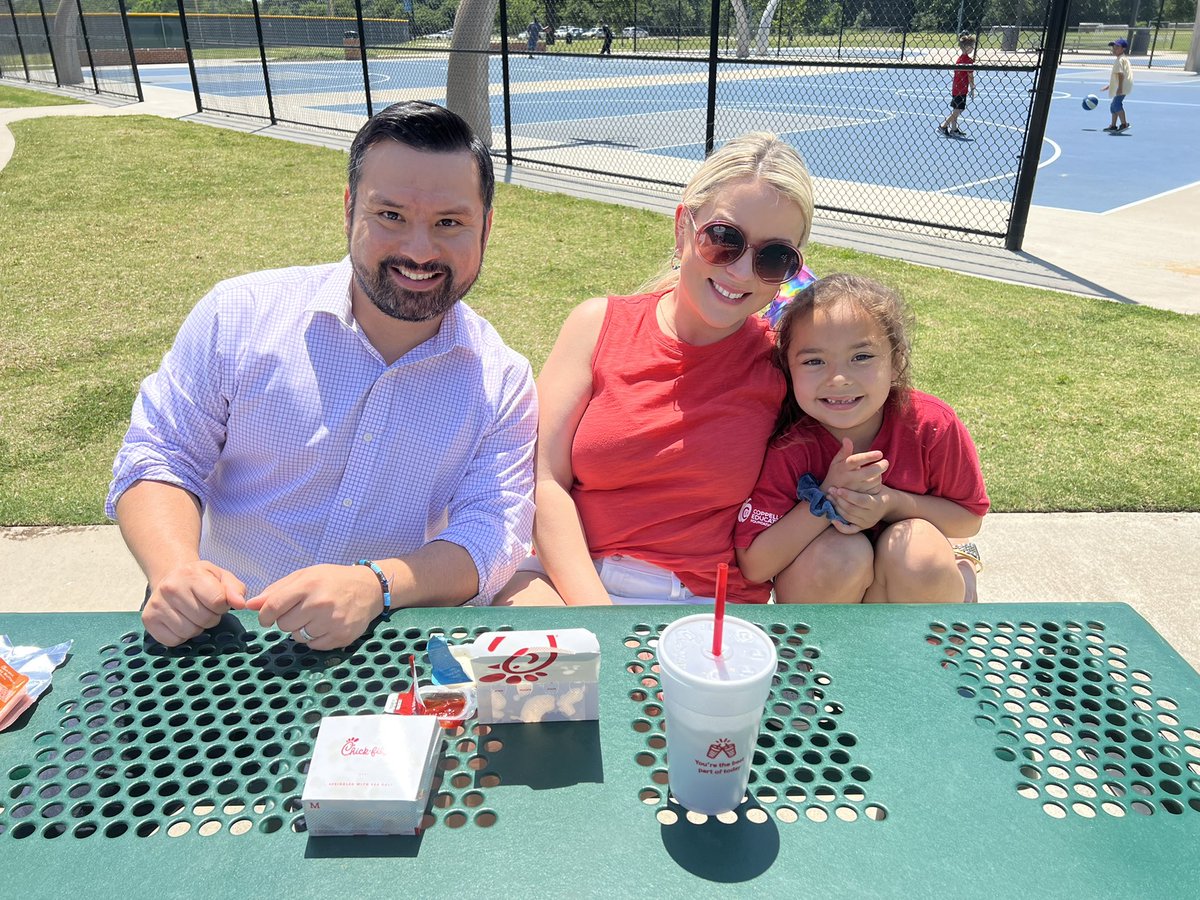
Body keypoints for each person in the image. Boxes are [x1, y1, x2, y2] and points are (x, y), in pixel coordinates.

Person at [107, 101, 537, 650]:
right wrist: (176, 570)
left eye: (449, 222)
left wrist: (375, 585)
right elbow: (161, 453)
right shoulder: (238, 313)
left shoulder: (502, 380)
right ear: (349, 208)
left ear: (486, 228)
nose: (419, 250)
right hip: (219, 635)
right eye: (391, 216)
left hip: (381, 643)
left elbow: (492, 534)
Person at [496, 133, 813, 607]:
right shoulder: (597, 325)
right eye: (725, 240)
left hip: (708, 607)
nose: (742, 273)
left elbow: (876, 429)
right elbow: (542, 479)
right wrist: (597, 616)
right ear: (684, 226)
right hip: (575, 585)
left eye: (773, 257)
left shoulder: (783, 362)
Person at [734, 274, 989, 604]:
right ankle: (823, 655)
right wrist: (827, 497)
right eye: (814, 361)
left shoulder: (931, 424)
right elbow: (755, 564)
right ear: (789, 370)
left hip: (903, 594)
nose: (838, 378)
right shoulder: (792, 447)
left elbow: (969, 518)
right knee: (841, 554)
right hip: (829, 597)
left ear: (896, 363)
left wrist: (890, 503)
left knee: (917, 550)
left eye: (862, 357)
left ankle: (920, 651)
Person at [939, 32, 976, 137]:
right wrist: (973, 87)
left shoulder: (960, 59)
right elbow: (970, 75)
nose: (973, 48)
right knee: (959, 109)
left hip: (956, 87)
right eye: (972, 46)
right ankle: (944, 126)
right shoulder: (967, 61)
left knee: (956, 108)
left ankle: (954, 129)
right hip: (961, 88)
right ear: (968, 47)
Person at [1102, 37, 1133, 133]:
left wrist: (1119, 87)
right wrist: (1110, 85)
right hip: (1124, 85)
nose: (1114, 49)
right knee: (1113, 106)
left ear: (1123, 49)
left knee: (1116, 104)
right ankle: (1113, 125)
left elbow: (1121, 74)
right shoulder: (1122, 59)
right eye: (1113, 47)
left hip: (1122, 86)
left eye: (1117, 47)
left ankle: (1124, 124)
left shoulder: (1120, 60)